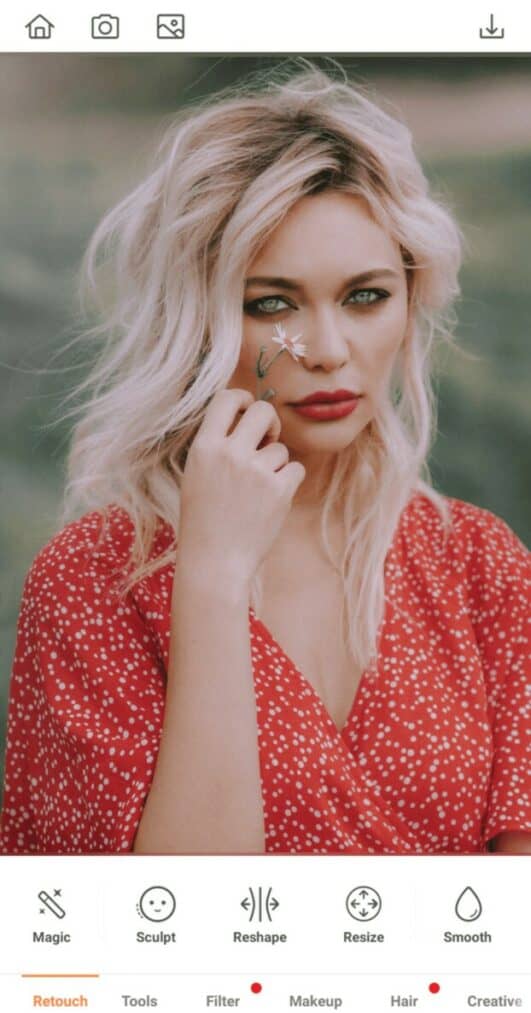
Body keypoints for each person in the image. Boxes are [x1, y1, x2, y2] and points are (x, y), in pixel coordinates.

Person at [1, 61, 529, 856]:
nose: (325, 350)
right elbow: (166, 932)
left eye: (364, 296)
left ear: (411, 299)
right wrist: (210, 577)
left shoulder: (479, 567)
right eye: (270, 303)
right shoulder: (89, 585)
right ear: (199, 319)